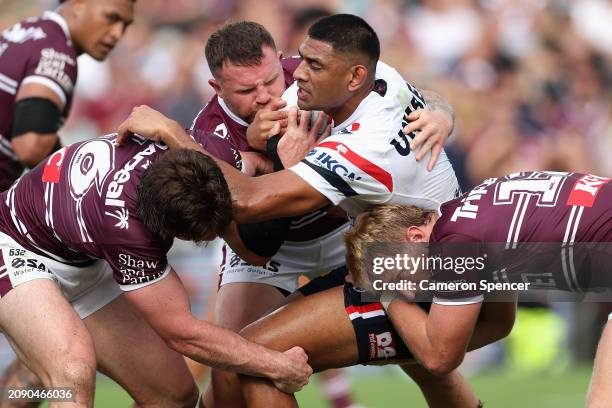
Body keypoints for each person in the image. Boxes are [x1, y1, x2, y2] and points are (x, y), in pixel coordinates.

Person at [118, 13, 486, 407]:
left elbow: (249, 196)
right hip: (278, 248)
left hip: (357, 236)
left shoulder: (324, 94)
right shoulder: (211, 135)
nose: (266, 95)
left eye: (273, 78)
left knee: (420, 363)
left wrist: (443, 115)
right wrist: (268, 157)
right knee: (233, 360)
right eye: (246, 89)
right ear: (217, 88)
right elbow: (254, 248)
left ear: (279, 60)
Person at [0, 132, 312, 407]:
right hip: (12, 245)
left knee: (173, 396)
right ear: (159, 227)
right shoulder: (126, 228)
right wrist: (275, 364)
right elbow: (182, 334)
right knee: (71, 374)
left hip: (80, 253)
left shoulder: (207, 150)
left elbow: (255, 167)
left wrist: (292, 164)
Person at [0, 0, 135, 192]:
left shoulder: (23, 30)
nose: (117, 33)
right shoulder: (58, 53)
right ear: (78, 4)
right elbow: (32, 146)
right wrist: (72, 186)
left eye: (125, 25)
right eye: (111, 18)